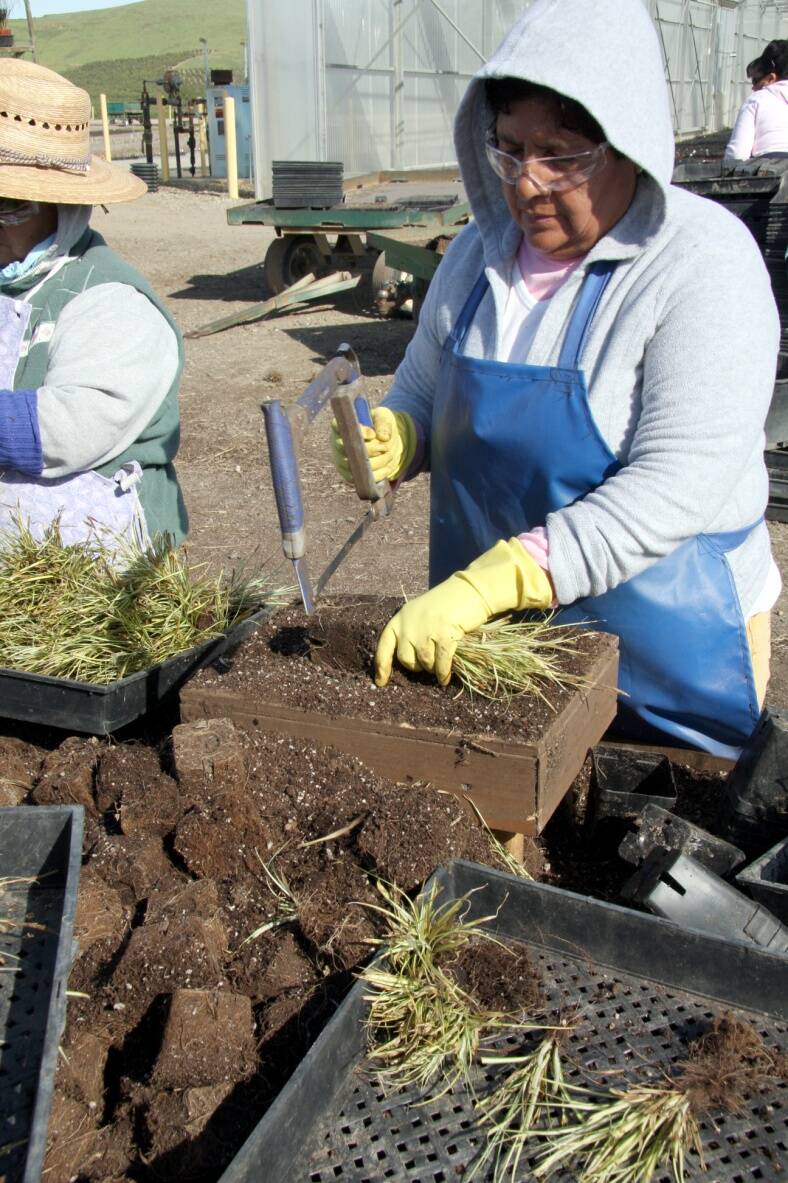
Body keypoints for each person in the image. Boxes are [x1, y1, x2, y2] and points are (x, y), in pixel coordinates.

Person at [332, 0, 781, 758]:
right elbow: (421, 385)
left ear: (627, 142)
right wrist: (401, 435)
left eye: (561, 154)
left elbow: (673, 486)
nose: (527, 184)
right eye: (508, 150)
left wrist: (495, 579)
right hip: (503, 655)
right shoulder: (478, 256)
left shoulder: (703, 264)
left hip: (667, 663)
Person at [0, 59, 186, 551]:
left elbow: (68, 429)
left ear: (63, 208)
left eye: (8, 208)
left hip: (95, 566)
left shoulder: (112, 300)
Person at [725, 40, 788, 162]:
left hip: (771, 171)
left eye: (756, 80)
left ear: (771, 78)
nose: (753, 87)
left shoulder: (757, 100)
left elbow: (737, 155)